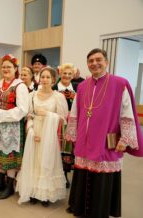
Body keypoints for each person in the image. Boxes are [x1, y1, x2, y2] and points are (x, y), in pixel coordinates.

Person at [65, 48, 143, 218]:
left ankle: (98, 212)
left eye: (98, 59)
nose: (94, 63)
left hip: (106, 139)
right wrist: (72, 134)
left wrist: (125, 138)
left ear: (106, 62)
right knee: (83, 172)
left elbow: (127, 113)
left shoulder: (119, 83)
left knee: (102, 178)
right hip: (84, 140)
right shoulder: (83, 86)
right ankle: (80, 208)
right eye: (90, 61)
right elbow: (75, 112)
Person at [17, 67, 67, 206]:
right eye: (42, 77)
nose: (44, 80)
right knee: (34, 160)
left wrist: (48, 114)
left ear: (53, 80)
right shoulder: (32, 95)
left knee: (46, 161)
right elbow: (29, 115)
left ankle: (45, 194)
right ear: (38, 78)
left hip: (49, 133)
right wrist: (32, 130)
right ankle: (33, 191)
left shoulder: (59, 97)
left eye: (47, 77)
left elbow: (63, 119)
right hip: (35, 131)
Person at [0, 54, 29, 200]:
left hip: (12, 127)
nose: (6, 69)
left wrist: (2, 113)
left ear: (15, 69)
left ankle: (9, 186)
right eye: (4, 67)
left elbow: (23, 109)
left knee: (9, 156)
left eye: (9, 67)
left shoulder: (20, 85)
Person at [52, 63, 77, 188]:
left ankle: (65, 175)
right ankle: (55, 174)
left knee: (68, 151)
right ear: (60, 74)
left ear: (73, 75)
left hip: (71, 124)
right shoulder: (54, 88)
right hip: (57, 124)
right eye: (64, 73)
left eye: (69, 73)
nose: (66, 76)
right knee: (56, 148)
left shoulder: (77, 89)